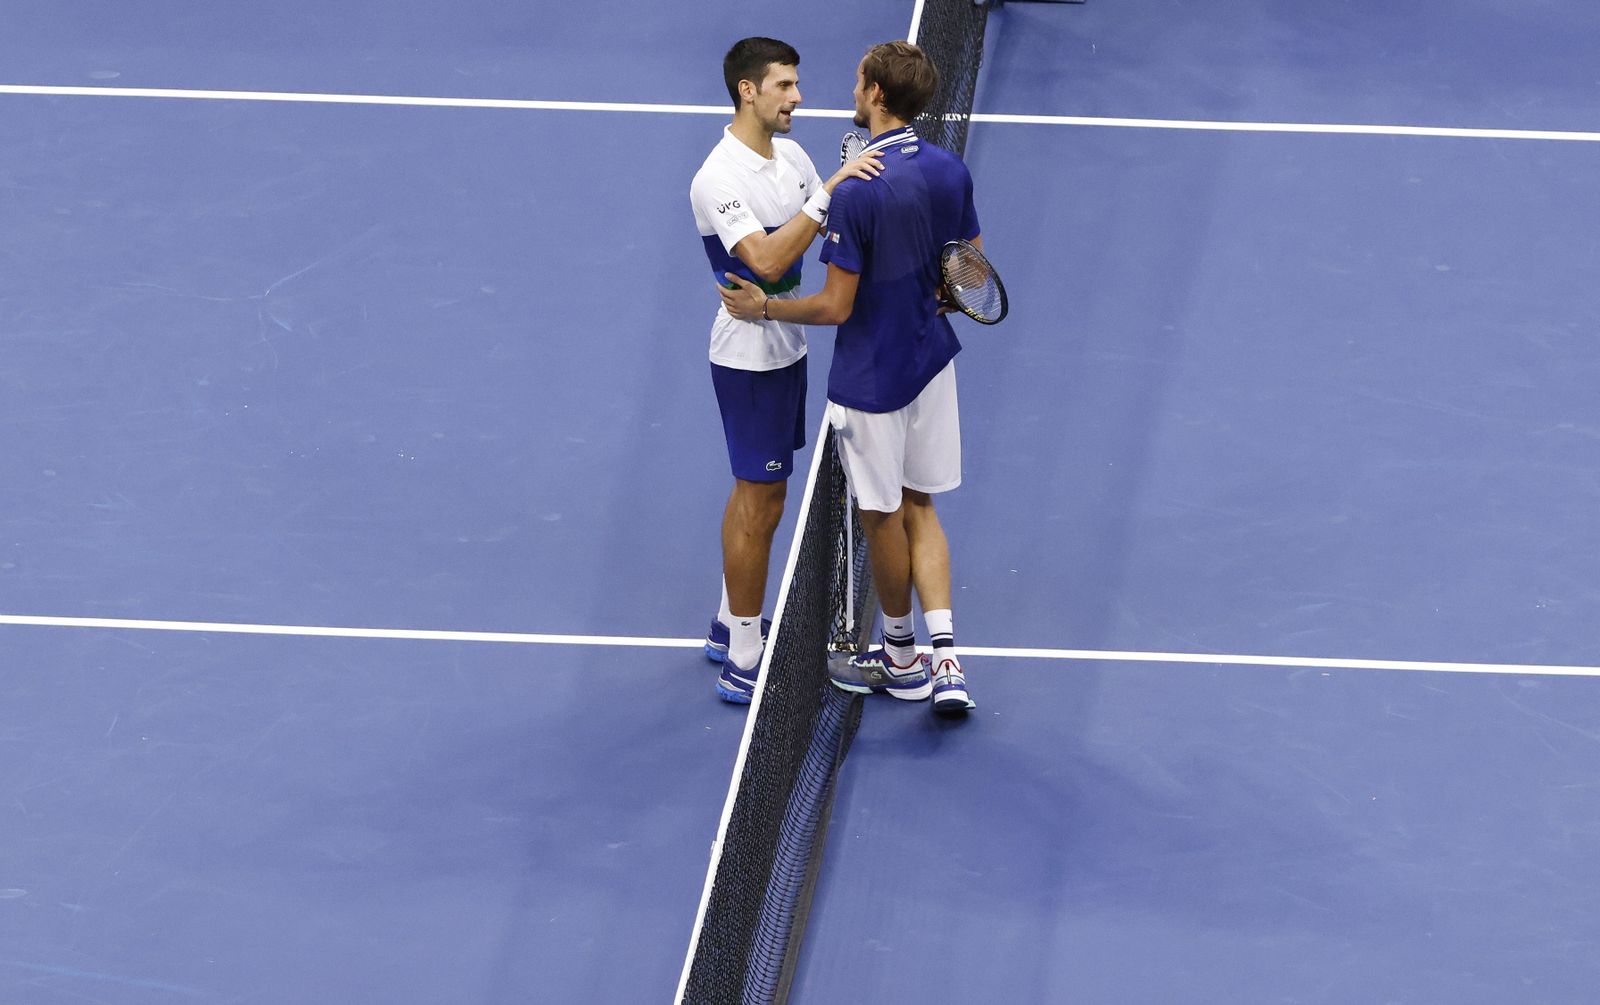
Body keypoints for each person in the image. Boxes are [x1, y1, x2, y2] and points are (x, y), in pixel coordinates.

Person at [720, 40, 982, 716]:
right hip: (932, 362)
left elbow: (835, 306)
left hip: (872, 380)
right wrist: (937, 292)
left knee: (884, 516)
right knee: (923, 506)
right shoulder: (951, 170)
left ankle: (901, 656)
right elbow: (969, 272)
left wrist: (766, 306)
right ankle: (947, 659)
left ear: (872, 93)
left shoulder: (859, 193)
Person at [690, 37, 882, 704]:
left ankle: (725, 620)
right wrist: (830, 194)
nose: (797, 97)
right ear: (748, 91)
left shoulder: (794, 156)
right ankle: (743, 654)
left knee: (759, 497)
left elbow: (818, 237)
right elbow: (768, 262)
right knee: (760, 502)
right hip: (746, 361)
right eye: (784, 86)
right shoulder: (718, 178)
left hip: (785, 348)